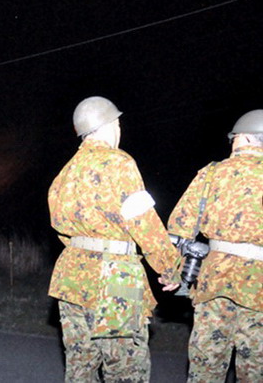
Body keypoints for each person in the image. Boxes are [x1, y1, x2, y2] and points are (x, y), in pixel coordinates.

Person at [48, 96, 181, 382]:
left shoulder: (65, 172)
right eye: (117, 124)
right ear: (110, 125)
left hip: (71, 278)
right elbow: (143, 222)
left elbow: (59, 227)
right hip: (116, 281)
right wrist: (170, 266)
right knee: (126, 370)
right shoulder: (120, 163)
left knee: (80, 369)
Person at [167, 110, 262, 383]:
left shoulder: (212, 174)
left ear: (242, 138)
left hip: (214, 284)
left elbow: (179, 230)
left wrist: (172, 274)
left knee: (205, 371)